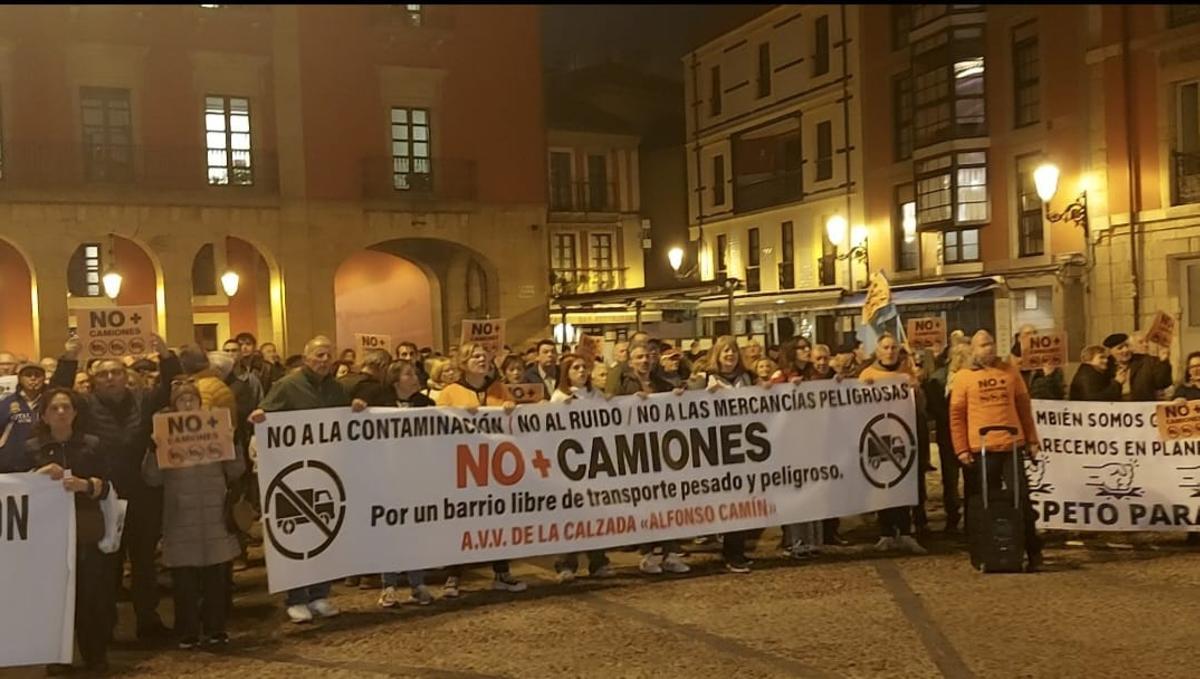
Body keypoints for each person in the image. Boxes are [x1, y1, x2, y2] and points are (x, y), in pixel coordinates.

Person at [51, 335, 179, 643]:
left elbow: (169, 389)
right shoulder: (84, 405)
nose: (110, 378)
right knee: (106, 565)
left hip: (142, 493)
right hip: (103, 496)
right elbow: (59, 392)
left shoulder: (144, 400)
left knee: (145, 562)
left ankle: (148, 620)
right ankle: (105, 627)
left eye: (116, 372)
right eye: (104, 374)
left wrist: (165, 355)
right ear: (94, 380)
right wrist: (69, 358)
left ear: (126, 376)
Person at [248, 335, 368, 624]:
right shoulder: (287, 385)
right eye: (319, 356)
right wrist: (261, 417)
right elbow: (267, 414)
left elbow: (341, 419)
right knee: (298, 537)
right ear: (306, 359)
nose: (324, 361)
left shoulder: (336, 387)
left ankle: (320, 593)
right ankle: (297, 597)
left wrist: (357, 408)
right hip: (296, 473)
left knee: (325, 533)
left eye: (328, 356)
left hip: (327, 471)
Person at [142, 381, 244, 649]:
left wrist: (232, 443)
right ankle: (187, 631)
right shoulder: (165, 432)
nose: (188, 404)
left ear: (201, 403)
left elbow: (235, 471)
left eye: (192, 399)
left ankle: (215, 628)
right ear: (173, 404)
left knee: (216, 578)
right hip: (180, 515)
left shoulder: (214, 428)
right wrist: (155, 450)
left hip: (213, 513)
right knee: (184, 581)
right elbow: (152, 479)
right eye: (182, 400)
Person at [28, 388, 114, 674]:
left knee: (91, 595)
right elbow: (13, 487)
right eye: (54, 408)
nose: (61, 412)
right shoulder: (32, 448)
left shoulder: (93, 444)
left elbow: (107, 487)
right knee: (55, 597)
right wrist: (36, 477)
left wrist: (85, 485)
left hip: (86, 528)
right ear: (44, 415)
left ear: (76, 413)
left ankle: (96, 655)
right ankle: (58, 656)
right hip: (47, 533)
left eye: (66, 407)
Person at [435, 343, 525, 596]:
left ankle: (502, 573)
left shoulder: (498, 389)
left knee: (498, 518)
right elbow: (436, 423)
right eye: (476, 357)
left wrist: (510, 408)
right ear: (464, 362)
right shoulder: (450, 392)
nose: (482, 360)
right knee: (462, 520)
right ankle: (453, 576)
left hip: (495, 466)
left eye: (485, 357)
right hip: (463, 466)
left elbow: (513, 422)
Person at [949, 330, 1043, 570]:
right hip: (980, 449)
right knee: (980, 501)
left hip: (1011, 444)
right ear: (973, 350)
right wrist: (961, 449)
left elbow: (1023, 407)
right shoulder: (963, 377)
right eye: (982, 345)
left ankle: (1031, 550)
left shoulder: (1010, 371)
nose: (988, 349)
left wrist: (1032, 440)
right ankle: (980, 550)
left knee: (1021, 498)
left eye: (990, 344)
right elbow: (957, 416)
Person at [353, 359, 437, 607]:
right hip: (385, 475)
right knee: (389, 530)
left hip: (415, 475)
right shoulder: (377, 402)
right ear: (395, 379)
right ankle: (388, 584)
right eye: (409, 374)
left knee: (414, 531)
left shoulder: (426, 404)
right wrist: (358, 408)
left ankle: (417, 583)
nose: (415, 377)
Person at [613, 340, 691, 575]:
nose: (644, 361)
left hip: (662, 451)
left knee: (668, 503)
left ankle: (670, 553)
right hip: (637, 452)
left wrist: (677, 397)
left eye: (647, 356)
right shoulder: (623, 385)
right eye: (639, 357)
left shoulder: (662, 384)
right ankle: (647, 554)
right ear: (630, 362)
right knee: (646, 506)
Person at [858, 334, 927, 555]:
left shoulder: (907, 374)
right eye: (885, 347)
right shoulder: (867, 374)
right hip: (878, 436)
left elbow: (921, 409)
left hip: (903, 437)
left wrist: (917, 390)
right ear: (877, 351)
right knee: (883, 486)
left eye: (893, 348)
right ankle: (886, 532)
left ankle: (905, 532)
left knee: (904, 484)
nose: (890, 351)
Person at [549, 354, 613, 581]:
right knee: (571, 515)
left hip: (595, 460)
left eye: (584, 367)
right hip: (570, 463)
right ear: (566, 373)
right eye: (576, 368)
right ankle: (566, 564)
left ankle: (598, 561)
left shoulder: (597, 395)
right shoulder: (559, 397)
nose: (581, 372)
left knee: (596, 513)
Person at [705, 335, 759, 573]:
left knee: (742, 502)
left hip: (745, 447)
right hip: (719, 450)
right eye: (725, 351)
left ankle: (735, 550)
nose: (730, 355)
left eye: (733, 352)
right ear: (717, 355)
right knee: (729, 502)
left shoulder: (747, 379)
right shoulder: (705, 380)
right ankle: (731, 551)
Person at [0, 357, 54, 472]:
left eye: (37, 375)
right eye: (28, 375)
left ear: (44, 378)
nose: (33, 378)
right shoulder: (6, 403)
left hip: (45, 462)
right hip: (12, 465)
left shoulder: (51, 402)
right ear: (19, 379)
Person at [1103, 332, 1172, 402]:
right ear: (1111, 352)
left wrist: (1164, 363)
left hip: (1142, 409)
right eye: (1120, 348)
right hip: (1115, 410)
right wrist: (1116, 383)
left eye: (1127, 346)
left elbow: (1163, 383)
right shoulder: (1105, 366)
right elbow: (1101, 394)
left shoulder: (1146, 361)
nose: (1125, 350)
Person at [1011, 325, 1066, 400]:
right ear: (1019, 338)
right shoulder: (1011, 360)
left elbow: (1060, 390)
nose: (1032, 336)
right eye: (1027, 333)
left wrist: (1049, 375)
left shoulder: (1049, 360)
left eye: (1034, 333)